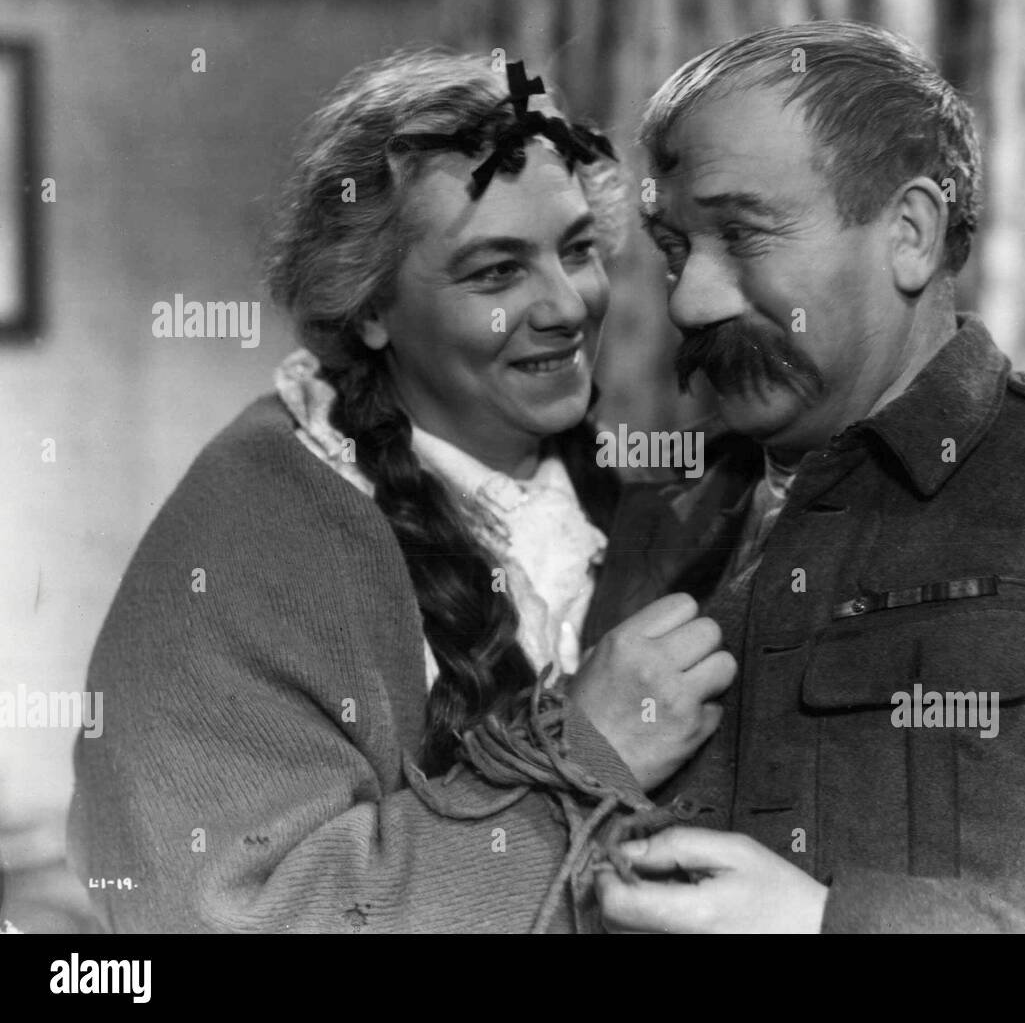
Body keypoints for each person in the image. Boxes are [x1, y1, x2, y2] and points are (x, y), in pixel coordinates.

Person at [585, 20, 1025, 933]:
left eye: (743, 234)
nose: (690, 299)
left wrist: (825, 924)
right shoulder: (658, 521)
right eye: (676, 246)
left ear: (911, 234)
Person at [68, 48, 733, 933]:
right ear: (371, 306)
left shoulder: (639, 493)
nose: (567, 306)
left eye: (575, 249)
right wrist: (580, 753)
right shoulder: (250, 530)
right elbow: (214, 917)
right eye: (495, 271)